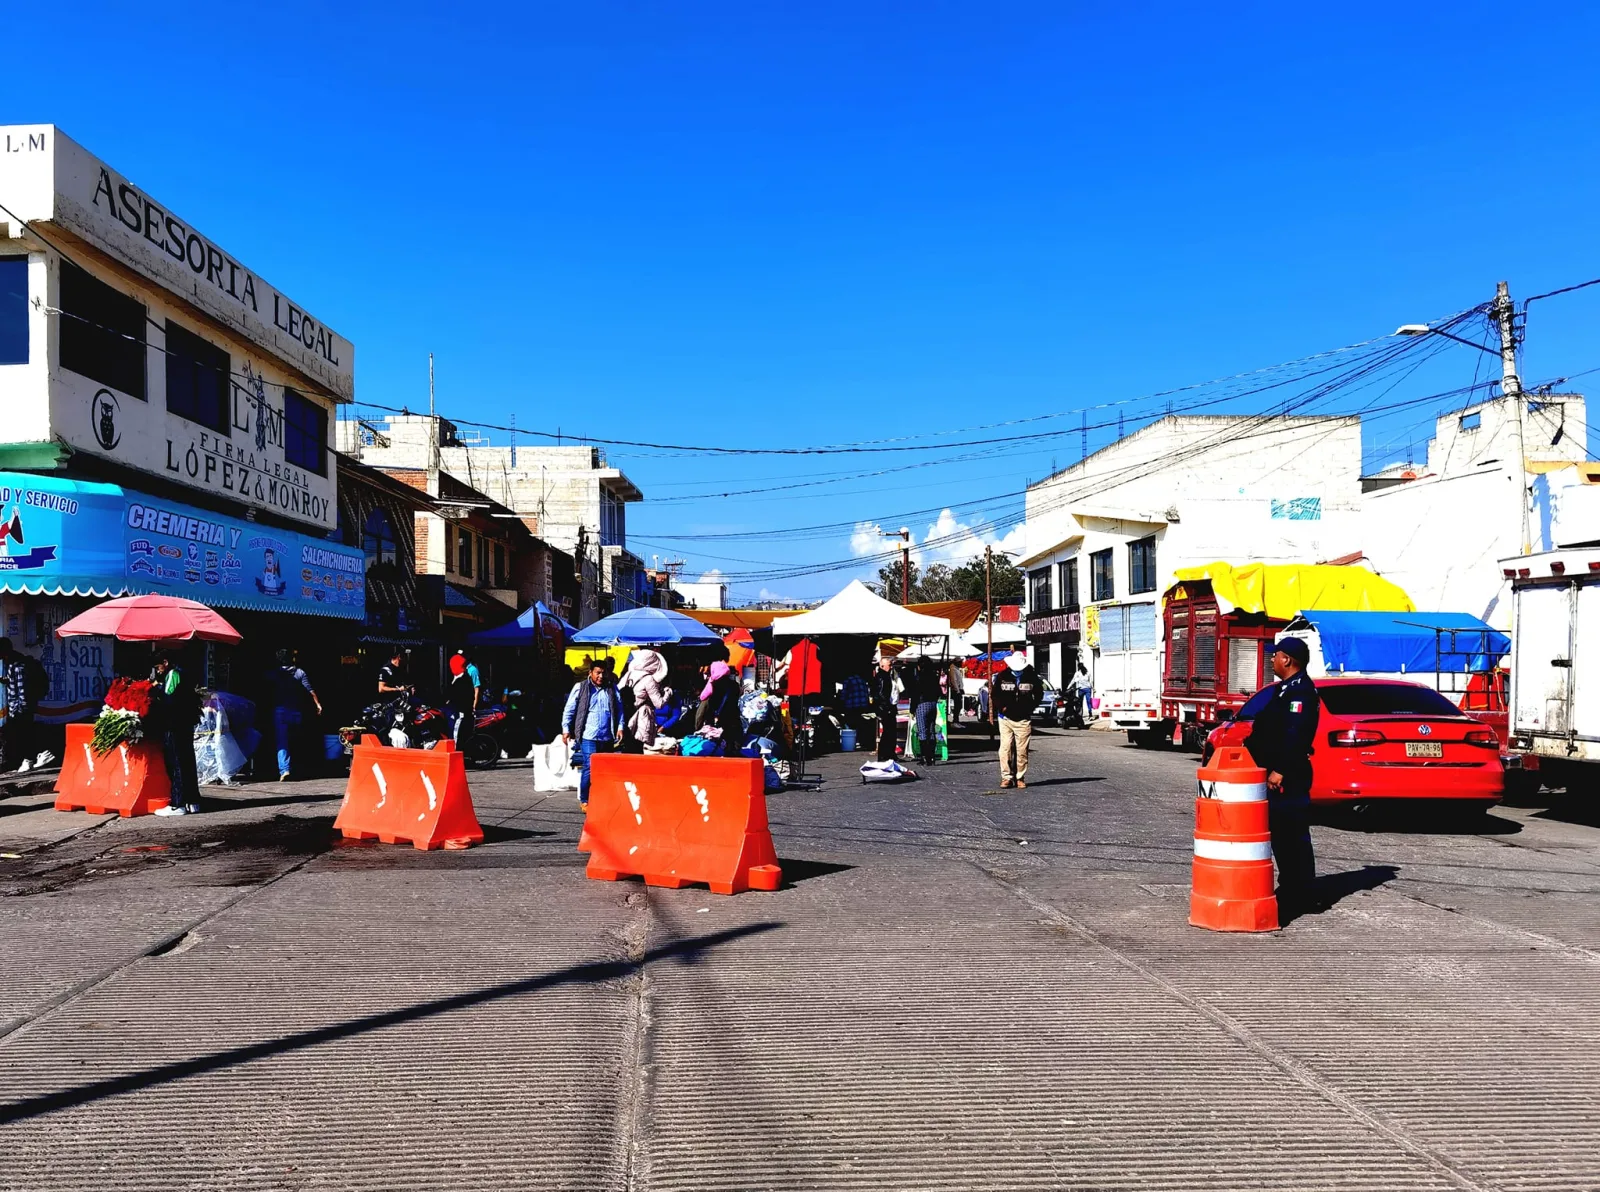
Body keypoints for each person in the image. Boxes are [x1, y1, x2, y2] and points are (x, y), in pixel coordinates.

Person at [1243, 636, 1321, 915]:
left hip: (1288, 776)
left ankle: (1302, 893)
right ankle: (1291, 887)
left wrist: (1280, 770)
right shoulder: (1285, 689)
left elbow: (1296, 734)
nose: (1271, 659)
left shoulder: (1300, 693)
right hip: (1276, 772)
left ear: (1287, 659)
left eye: (1275, 655)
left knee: (1292, 836)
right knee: (1281, 836)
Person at [561, 662, 623, 807]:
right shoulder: (580, 687)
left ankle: (603, 798)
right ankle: (585, 800)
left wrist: (620, 727)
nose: (601, 676)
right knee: (589, 766)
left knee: (606, 769)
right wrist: (566, 729)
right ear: (590, 673)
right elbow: (569, 709)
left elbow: (619, 710)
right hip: (588, 735)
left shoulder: (612, 688)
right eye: (598, 673)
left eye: (603, 673)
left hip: (607, 735)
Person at [151, 653, 202, 816]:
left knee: (176, 763)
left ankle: (177, 803)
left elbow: (169, 698)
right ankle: (192, 801)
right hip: (185, 724)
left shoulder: (173, 674)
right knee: (187, 761)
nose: (158, 671)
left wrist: (155, 691)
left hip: (174, 725)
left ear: (165, 662)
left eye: (157, 667)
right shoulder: (184, 673)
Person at [267, 648, 322, 781]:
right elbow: (310, 690)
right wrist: (318, 704)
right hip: (296, 711)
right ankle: (298, 767)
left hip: (280, 710)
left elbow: (266, 688)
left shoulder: (274, 673)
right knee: (297, 739)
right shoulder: (299, 672)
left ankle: (285, 770)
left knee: (282, 742)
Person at [992, 647, 1041, 788]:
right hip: (1005, 718)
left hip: (1023, 718)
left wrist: (1030, 707)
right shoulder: (1002, 677)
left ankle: (1020, 777)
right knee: (1005, 748)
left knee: (1022, 750)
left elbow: (1039, 694)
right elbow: (995, 695)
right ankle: (1006, 776)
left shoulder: (1031, 677)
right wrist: (1002, 707)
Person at [622, 648, 671, 749]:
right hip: (640, 718)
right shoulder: (648, 679)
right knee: (637, 748)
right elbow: (659, 704)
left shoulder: (629, 674)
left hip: (626, 716)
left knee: (628, 748)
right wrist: (667, 693)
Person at [695, 660, 745, 752]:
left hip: (720, 724)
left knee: (721, 749)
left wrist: (698, 727)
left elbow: (704, 702)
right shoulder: (735, 685)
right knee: (733, 748)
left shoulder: (714, 686)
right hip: (734, 721)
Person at [0, 638, 32, 773]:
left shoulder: (18, 665)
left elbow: (22, 689)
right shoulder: (11, 663)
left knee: (23, 736)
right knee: (16, 736)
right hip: (16, 709)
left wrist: (20, 709)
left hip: (20, 709)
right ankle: (20, 761)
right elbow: (13, 681)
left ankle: (27, 761)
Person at [908, 656, 943, 765]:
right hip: (933, 704)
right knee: (932, 730)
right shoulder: (934, 676)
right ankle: (931, 757)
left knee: (922, 731)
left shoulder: (918, 677)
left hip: (922, 704)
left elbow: (915, 694)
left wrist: (912, 709)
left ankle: (924, 756)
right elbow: (939, 691)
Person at [869, 655, 900, 761]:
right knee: (888, 732)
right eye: (889, 665)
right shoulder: (882, 677)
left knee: (890, 732)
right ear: (882, 666)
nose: (891, 667)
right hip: (886, 708)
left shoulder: (886, 676)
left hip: (887, 707)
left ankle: (889, 754)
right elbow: (882, 694)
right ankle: (884, 755)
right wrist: (887, 707)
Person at [445, 654, 477, 746]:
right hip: (454, 711)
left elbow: (464, 696)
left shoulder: (464, 679)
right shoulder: (456, 678)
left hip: (460, 712)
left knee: (455, 734)